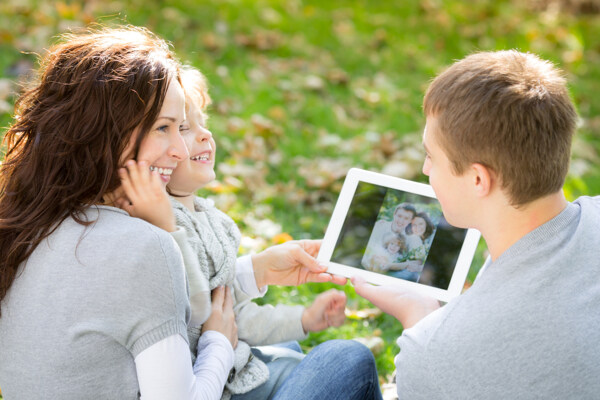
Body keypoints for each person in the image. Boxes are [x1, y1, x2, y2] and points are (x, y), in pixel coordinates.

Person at [0, 27, 378, 400]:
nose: (181, 150)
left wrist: (255, 272)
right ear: (109, 133)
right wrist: (219, 343)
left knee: (281, 356)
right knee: (347, 358)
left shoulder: (27, 218)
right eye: (165, 128)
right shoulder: (145, 244)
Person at [119, 65, 381, 399]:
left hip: (226, 364)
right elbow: (201, 310)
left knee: (289, 347)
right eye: (182, 128)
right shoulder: (158, 219)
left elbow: (230, 312)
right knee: (348, 358)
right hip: (213, 382)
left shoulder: (209, 219)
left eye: (203, 124)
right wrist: (170, 230)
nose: (204, 136)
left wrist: (302, 317)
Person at [352, 50, 600, 398]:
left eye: (430, 156)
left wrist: (420, 320)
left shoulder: (433, 354)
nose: (425, 170)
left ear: (478, 180)